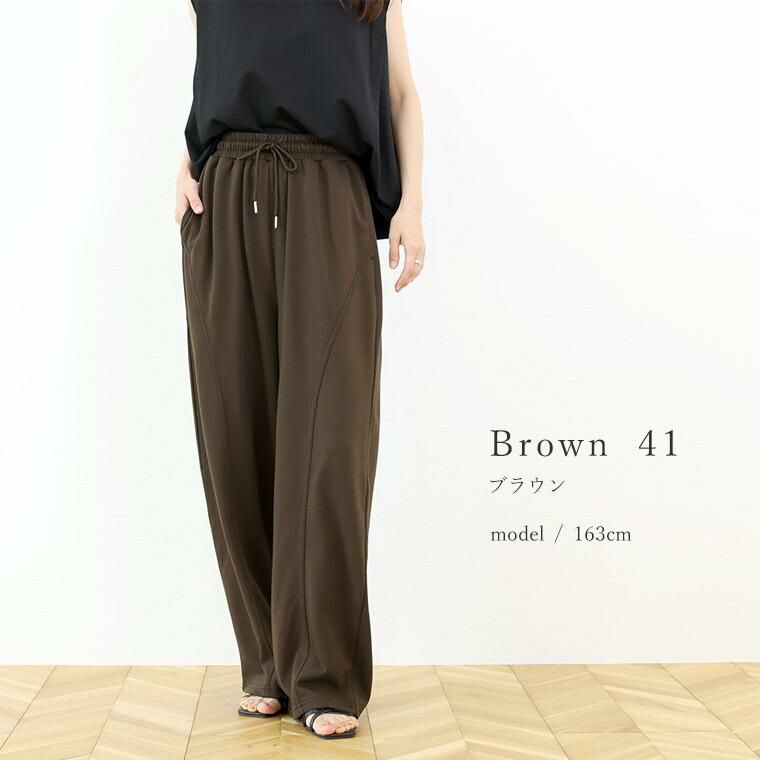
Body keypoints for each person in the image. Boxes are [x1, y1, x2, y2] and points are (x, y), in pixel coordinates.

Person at [174, 0, 424, 741]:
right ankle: (267, 664)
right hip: (223, 198)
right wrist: (185, 160)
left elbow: (401, 91)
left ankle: (324, 674)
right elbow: (212, 69)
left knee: (330, 445)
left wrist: (413, 202)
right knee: (236, 439)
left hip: (328, 192)